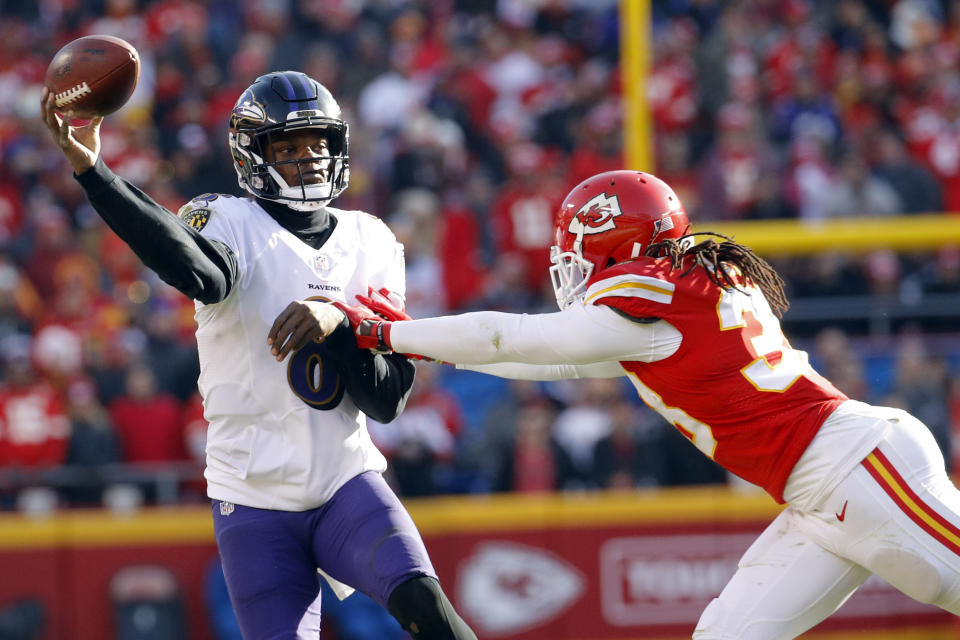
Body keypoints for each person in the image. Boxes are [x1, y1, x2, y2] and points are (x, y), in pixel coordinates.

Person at [281, 169, 960, 639]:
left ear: (621, 243)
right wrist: (416, 344)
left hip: (856, 467)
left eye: (580, 250)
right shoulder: (676, 300)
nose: (571, 267)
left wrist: (384, 330)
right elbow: (535, 354)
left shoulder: (652, 297)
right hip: (819, 491)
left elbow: (511, 334)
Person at [41, 71, 476, 640]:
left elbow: (387, 399)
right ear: (253, 155)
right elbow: (197, 270)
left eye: (319, 142)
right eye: (290, 146)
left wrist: (340, 325)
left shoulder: (370, 240)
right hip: (254, 501)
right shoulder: (228, 219)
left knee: (427, 604)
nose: (311, 158)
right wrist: (93, 173)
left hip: (345, 480)